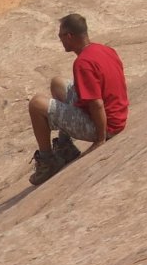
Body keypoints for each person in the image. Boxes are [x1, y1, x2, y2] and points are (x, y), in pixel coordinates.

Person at [27, 13, 129, 185]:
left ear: (69, 36)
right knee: (57, 83)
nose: (60, 40)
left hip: (105, 126)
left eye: (60, 36)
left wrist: (100, 139)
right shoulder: (105, 50)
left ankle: (48, 161)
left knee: (36, 104)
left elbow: (96, 104)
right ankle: (65, 146)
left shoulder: (83, 63)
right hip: (117, 115)